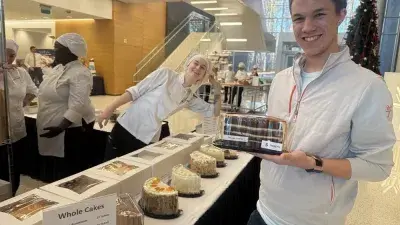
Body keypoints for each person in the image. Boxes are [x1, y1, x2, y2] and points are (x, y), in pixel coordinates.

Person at [247, 0, 395, 225]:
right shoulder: (281, 79)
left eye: (319, 15)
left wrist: (313, 163)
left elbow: (378, 167)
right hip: (262, 212)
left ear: (341, 15)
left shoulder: (368, 86)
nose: (307, 27)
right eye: (299, 18)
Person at [97, 54, 221, 160]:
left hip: (148, 138)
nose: (198, 68)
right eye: (196, 63)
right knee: (109, 169)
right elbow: (135, 92)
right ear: (188, 64)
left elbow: (214, 111)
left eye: (203, 67)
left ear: (202, 76)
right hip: (127, 126)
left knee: (132, 176)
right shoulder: (166, 74)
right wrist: (110, 108)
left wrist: (216, 87)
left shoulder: (189, 97)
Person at [36, 33, 95, 180]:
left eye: (57, 48)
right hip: (55, 127)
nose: (53, 52)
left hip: (71, 129)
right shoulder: (60, 69)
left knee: (69, 171)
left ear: (70, 51)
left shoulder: (80, 73)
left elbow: (78, 105)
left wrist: (61, 127)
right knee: (56, 166)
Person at [0, 40, 38, 195]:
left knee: (16, 166)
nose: (8, 58)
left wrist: (22, 103)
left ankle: (11, 196)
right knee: (2, 167)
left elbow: (33, 89)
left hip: (17, 126)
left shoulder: (20, 72)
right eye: (5, 54)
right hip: (1, 130)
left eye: (12, 55)